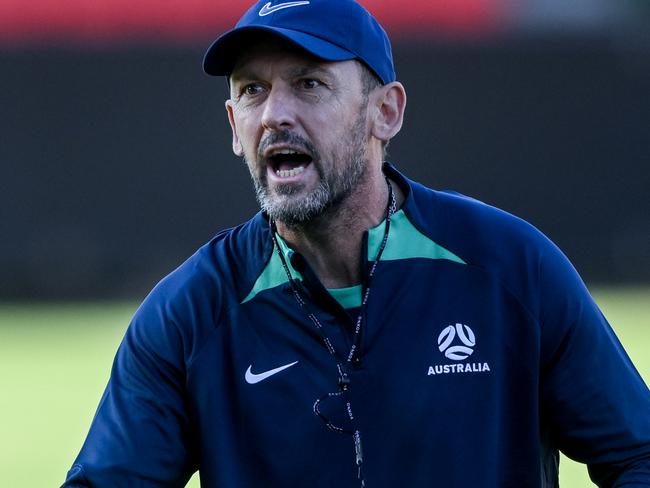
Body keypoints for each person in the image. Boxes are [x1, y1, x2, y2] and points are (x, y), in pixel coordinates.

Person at [62, 0, 650, 486]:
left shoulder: (509, 268)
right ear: (233, 128)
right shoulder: (189, 313)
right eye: (252, 91)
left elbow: (637, 455)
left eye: (309, 83)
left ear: (386, 112)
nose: (274, 114)